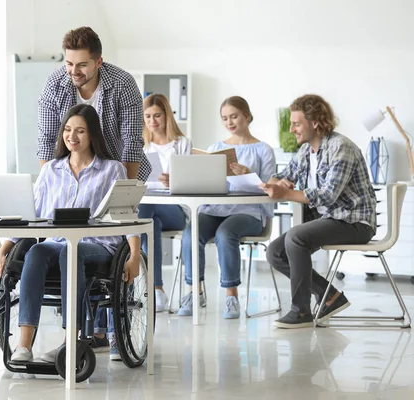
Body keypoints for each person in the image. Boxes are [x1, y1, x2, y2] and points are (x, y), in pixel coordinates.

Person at [0, 104, 142, 362]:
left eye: (80, 131)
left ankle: (69, 343)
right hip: (57, 243)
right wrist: (5, 247)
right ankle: (24, 346)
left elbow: (127, 215)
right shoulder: (51, 170)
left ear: (93, 134)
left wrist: (135, 254)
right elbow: (30, 213)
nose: (72, 136)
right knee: (37, 251)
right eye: (68, 130)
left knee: (70, 253)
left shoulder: (111, 169)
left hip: (97, 246)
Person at [261, 94, 376, 329]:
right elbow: (284, 176)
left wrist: (285, 193)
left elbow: (328, 195)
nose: (292, 129)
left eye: (296, 123)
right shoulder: (306, 152)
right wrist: (274, 183)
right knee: (275, 252)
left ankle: (301, 311)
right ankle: (330, 296)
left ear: (314, 122)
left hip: (355, 222)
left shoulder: (341, 147)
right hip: (331, 219)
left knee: (296, 236)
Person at [179, 96, 276, 318]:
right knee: (191, 233)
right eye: (224, 118)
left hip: (249, 212)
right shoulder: (216, 148)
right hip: (216, 208)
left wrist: (249, 175)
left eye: (234, 116)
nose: (229, 122)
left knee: (225, 233)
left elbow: (270, 187)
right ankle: (196, 292)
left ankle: (231, 296)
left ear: (247, 116)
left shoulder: (263, 150)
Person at [36, 26, 151, 182]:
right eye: (69, 64)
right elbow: (47, 140)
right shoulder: (54, 85)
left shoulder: (123, 84)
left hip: (118, 169)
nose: (74, 71)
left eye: (82, 65)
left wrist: (125, 191)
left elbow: (131, 141)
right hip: (73, 175)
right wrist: (50, 185)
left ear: (99, 62)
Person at [137, 93, 192, 312]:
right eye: (148, 116)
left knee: (145, 215)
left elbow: (190, 183)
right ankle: (157, 289)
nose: (153, 121)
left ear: (167, 116)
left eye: (157, 116)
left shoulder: (182, 144)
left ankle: (149, 287)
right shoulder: (141, 146)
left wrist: (175, 180)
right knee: (151, 223)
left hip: (175, 209)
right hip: (150, 208)